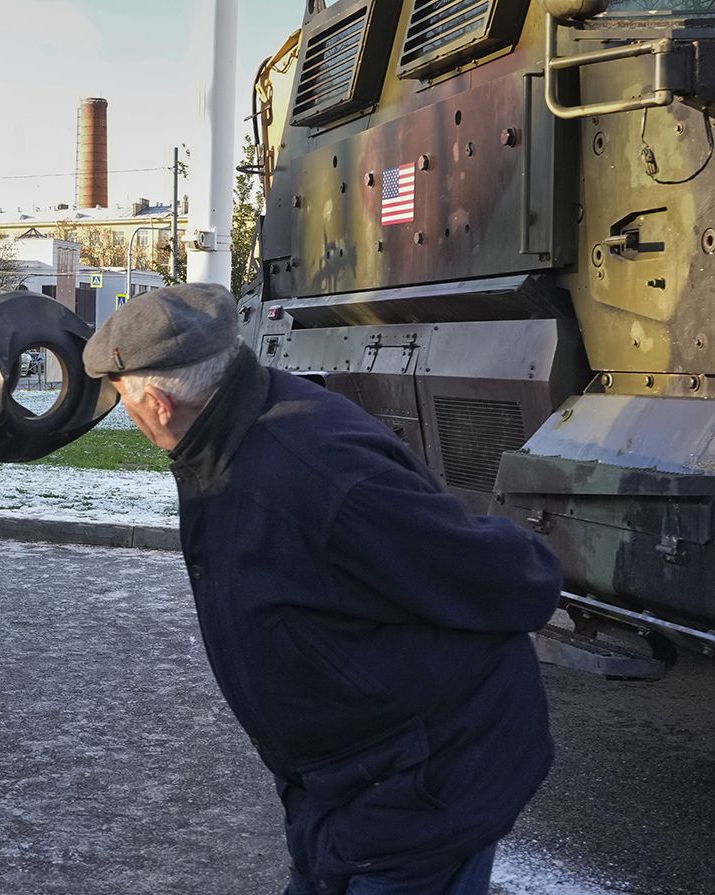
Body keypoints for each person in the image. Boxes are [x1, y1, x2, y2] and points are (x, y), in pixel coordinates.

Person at [83, 282, 561, 895]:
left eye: (123, 396)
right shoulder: (226, 436)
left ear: (159, 403)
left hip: (422, 789)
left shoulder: (317, 472)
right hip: (344, 790)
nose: (124, 409)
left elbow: (512, 579)